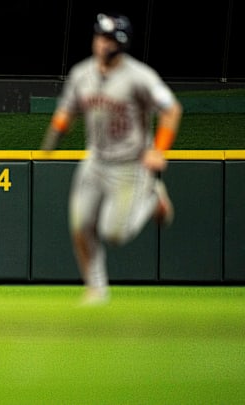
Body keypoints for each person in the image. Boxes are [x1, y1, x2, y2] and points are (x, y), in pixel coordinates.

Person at [41, 12, 182, 305]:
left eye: (107, 38)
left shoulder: (140, 77)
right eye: (98, 37)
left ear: (120, 44)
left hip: (130, 165)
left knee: (114, 234)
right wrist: (53, 138)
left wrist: (159, 149)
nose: (101, 43)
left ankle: (153, 197)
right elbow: (67, 111)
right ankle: (96, 288)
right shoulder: (82, 74)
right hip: (96, 160)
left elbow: (171, 110)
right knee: (80, 226)